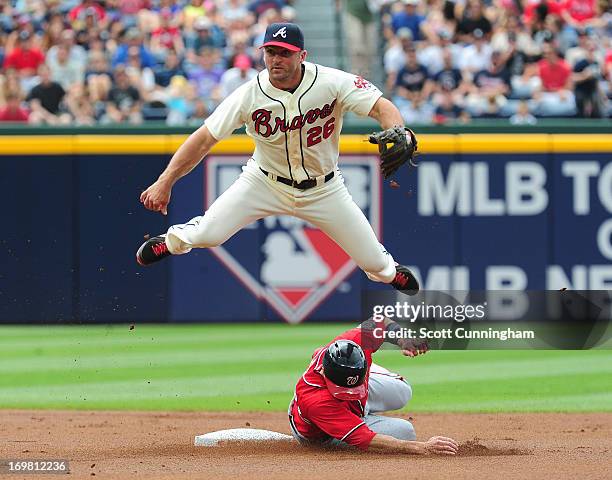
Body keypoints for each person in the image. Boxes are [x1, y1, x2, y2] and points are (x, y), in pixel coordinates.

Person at [136, 22, 420, 296]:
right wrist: (166, 180)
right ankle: (170, 242)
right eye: (271, 52)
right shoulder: (249, 94)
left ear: (302, 56)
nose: (276, 59)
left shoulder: (332, 82)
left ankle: (391, 272)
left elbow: (382, 107)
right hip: (263, 181)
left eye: (285, 52)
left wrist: (398, 131)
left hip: (324, 189)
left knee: (375, 264)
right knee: (209, 233)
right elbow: (204, 138)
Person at [288, 317, 459, 454]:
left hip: (340, 387)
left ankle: (362, 409)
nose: (352, 393)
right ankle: (359, 418)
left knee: (403, 391)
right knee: (405, 432)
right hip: (322, 433)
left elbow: (382, 321)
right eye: (344, 390)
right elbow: (364, 438)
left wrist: (402, 339)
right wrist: (422, 447)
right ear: (325, 373)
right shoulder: (315, 401)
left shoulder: (357, 340)